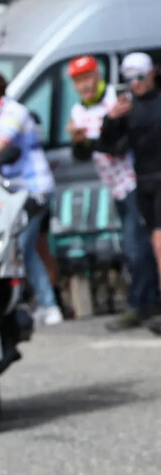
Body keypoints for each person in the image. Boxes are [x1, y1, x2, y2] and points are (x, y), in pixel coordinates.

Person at [66, 55, 160, 330]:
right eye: (78, 80)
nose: (84, 85)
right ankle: (145, 301)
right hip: (113, 185)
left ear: (98, 75)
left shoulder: (116, 100)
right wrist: (78, 142)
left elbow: (118, 144)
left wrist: (100, 130)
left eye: (87, 78)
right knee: (135, 244)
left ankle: (142, 303)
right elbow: (82, 155)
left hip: (133, 179)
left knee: (136, 244)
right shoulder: (78, 111)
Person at [0, 70, 62, 325]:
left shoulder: (14, 112)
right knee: (33, 248)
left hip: (34, 189)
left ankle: (43, 303)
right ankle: (47, 302)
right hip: (12, 192)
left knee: (22, 248)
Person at [97, 52, 161, 336]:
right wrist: (111, 119)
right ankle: (148, 303)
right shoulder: (127, 109)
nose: (134, 84)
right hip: (143, 181)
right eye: (129, 79)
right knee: (148, 244)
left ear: (152, 75)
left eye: (139, 77)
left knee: (159, 242)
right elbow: (107, 145)